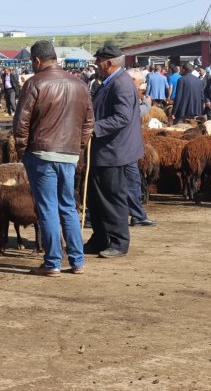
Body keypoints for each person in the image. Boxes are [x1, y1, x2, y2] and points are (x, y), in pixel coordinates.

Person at [13, 40, 94, 275]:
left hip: (40, 154)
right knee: (68, 207)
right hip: (68, 155)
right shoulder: (79, 84)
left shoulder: (34, 83)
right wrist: (77, 148)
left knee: (48, 208)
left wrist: (21, 152)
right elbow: (89, 123)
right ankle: (77, 261)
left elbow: (21, 124)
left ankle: (52, 262)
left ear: (37, 61)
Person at [84, 43, 142, 259]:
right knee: (97, 199)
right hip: (104, 151)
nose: (97, 64)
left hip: (114, 151)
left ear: (108, 62)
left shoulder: (122, 84)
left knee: (112, 198)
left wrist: (94, 127)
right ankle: (100, 239)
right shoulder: (110, 81)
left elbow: (123, 117)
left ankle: (118, 242)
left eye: (99, 61)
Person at [124, 69, 157, 228]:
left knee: (131, 182)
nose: (141, 87)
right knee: (130, 182)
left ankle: (137, 215)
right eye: (139, 83)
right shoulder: (126, 92)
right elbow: (133, 114)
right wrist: (147, 105)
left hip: (126, 146)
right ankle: (137, 215)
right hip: (124, 147)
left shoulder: (126, 91)